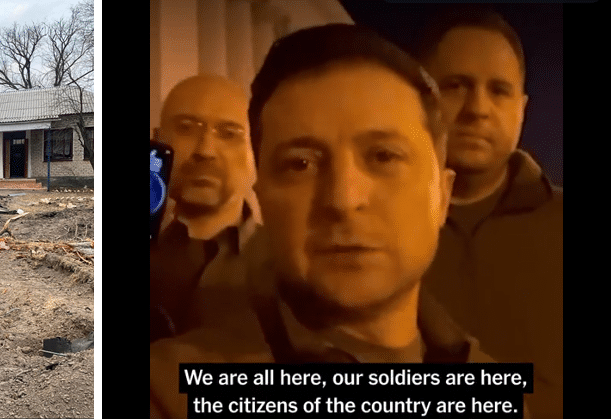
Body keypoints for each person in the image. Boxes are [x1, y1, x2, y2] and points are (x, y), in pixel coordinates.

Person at [150, 24, 528, 419]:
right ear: (262, 197)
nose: (343, 199)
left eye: (383, 156)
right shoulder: (170, 389)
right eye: (300, 164)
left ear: (444, 195)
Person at [414, 7, 562, 418]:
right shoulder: (369, 228)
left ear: (522, 106)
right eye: (457, 85)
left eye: (499, 90)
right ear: (422, 97)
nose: (478, 108)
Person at [150, 74, 262, 343]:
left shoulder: (295, 267)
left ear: (255, 150)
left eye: (229, 134)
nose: (206, 150)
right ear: (157, 140)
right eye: (187, 128)